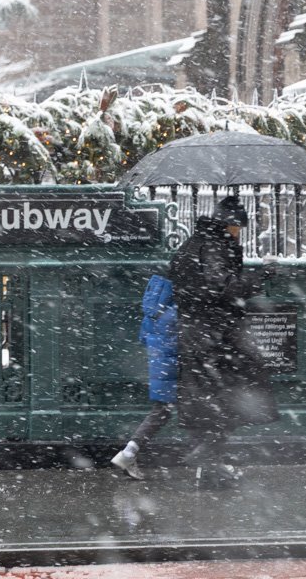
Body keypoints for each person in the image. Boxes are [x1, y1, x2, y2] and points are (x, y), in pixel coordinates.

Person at [170, 195, 278, 489]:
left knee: (208, 402)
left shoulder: (196, 243)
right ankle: (208, 459)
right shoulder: (214, 247)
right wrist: (261, 275)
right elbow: (222, 288)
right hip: (214, 336)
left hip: (198, 334)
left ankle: (211, 466)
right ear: (229, 224)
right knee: (225, 400)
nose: (239, 232)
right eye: (237, 227)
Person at [111, 275, 178, 480]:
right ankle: (213, 462)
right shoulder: (175, 311)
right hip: (178, 368)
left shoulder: (153, 311)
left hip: (160, 367)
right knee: (204, 412)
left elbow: (143, 338)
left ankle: (128, 453)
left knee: (162, 411)